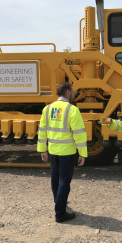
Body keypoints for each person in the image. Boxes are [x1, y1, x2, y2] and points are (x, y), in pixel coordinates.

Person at [37, 82, 87, 223]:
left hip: (53, 150)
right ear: (68, 92)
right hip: (67, 152)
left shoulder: (47, 109)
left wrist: (42, 149)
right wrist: (82, 153)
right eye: (73, 91)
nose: (74, 94)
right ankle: (60, 213)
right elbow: (79, 134)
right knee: (64, 180)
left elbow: (42, 131)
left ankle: (59, 202)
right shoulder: (72, 110)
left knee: (55, 178)